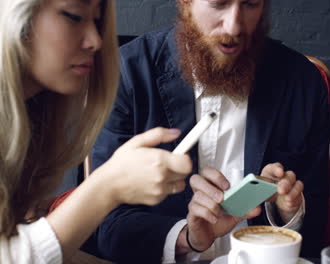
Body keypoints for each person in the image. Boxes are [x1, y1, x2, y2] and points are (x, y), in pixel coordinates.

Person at [91, 0, 330, 262]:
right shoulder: (128, 74)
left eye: (251, 4)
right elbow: (107, 226)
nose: (235, 26)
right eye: (219, 3)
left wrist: (287, 213)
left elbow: (318, 221)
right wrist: (187, 238)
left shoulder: (302, 82)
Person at [0, 0, 192, 263]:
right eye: (74, 16)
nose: (95, 41)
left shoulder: (34, 118)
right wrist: (106, 187)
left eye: (97, 21)